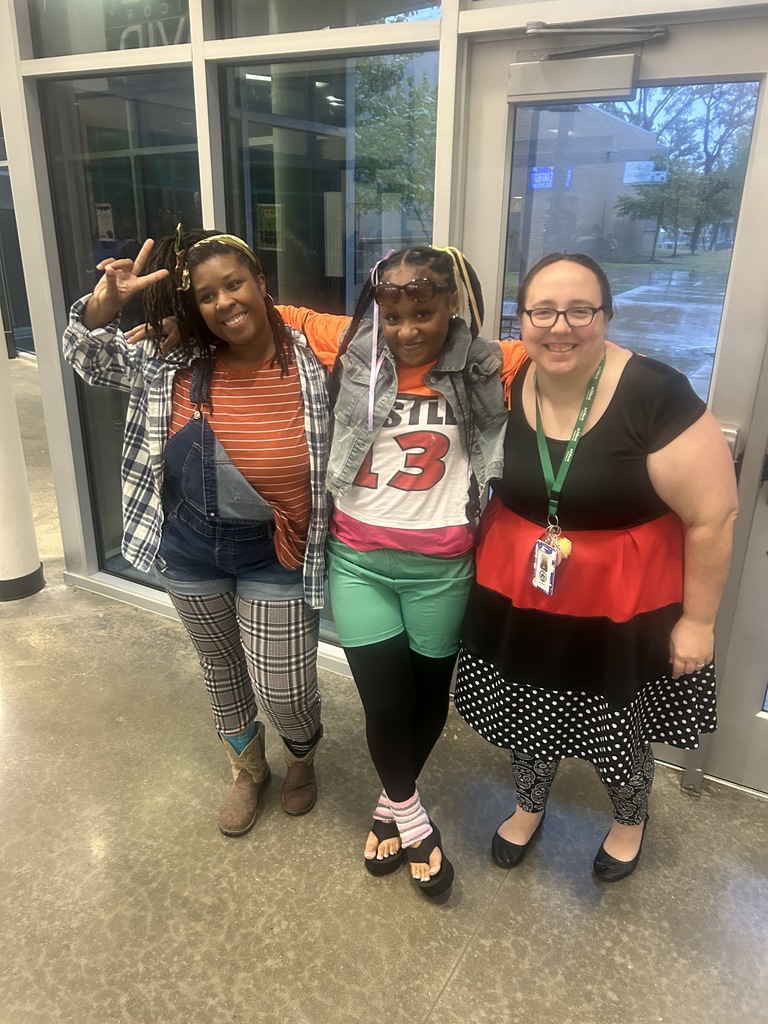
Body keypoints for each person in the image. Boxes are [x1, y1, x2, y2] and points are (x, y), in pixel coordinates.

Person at [454, 251, 738, 881]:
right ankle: (530, 804)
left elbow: (713, 517)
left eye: (580, 310)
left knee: (616, 722)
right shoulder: (505, 378)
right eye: (543, 311)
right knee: (527, 705)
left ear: (607, 315)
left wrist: (699, 621)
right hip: (525, 588)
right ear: (521, 319)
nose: (561, 326)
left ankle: (630, 818)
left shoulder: (653, 392)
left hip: (621, 597)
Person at [62, 228, 338, 837]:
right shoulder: (172, 359)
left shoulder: (311, 356)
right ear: (195, 307)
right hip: (190, 544)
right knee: (220, 665)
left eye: (234, 284)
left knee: (286, 686)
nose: (224, 303)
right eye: (207, 296)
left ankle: (300, 755)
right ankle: (247, 769)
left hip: (278, 548)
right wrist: (107, 303)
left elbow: (396, 348)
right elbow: (89, 358)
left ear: (260, 284)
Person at [278, 246, 526, 898]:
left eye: (423, 312)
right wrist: (172, 322)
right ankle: (416, 822)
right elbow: (278, 315)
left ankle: (390, 806)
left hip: (442, 571)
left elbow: (571, 351)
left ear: (452, 304)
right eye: (394, 316)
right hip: (359, 564)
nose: (407, 329)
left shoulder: (489, 364)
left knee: (425, 702)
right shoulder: (355, 349)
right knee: (385, 702)